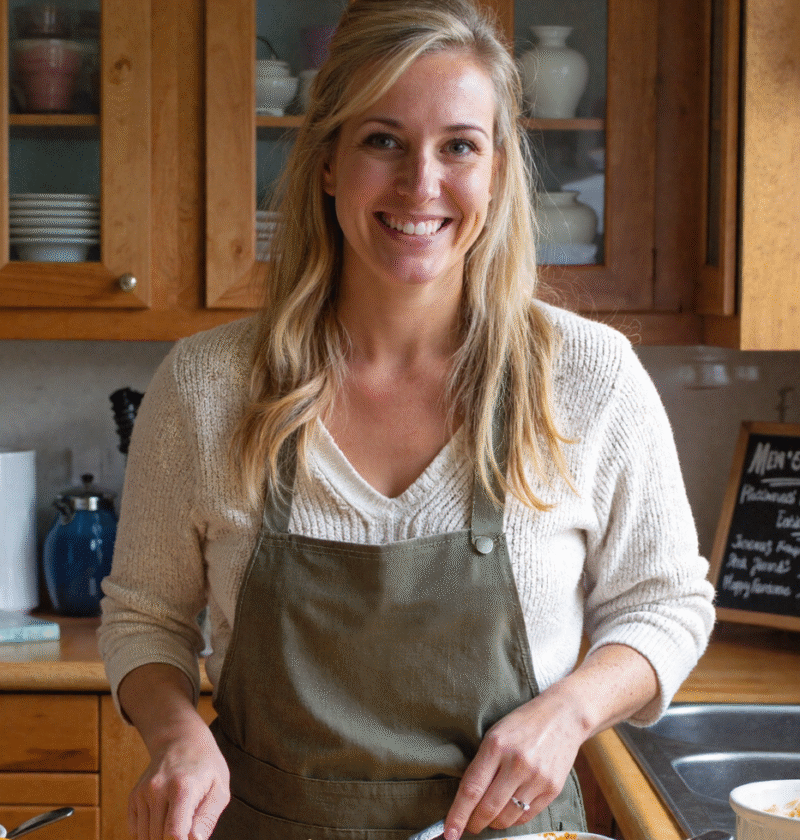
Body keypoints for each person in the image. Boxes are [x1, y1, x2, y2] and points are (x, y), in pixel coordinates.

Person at [98, 1, 715, 838]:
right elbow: (146, 616)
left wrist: (569, 714)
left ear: (496, 171)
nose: (420, 184)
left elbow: (668, 602)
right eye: (382, 140)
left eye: (459, 146)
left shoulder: (586, 375)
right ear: (327, 163)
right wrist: (174, 733)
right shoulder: (211, 385)